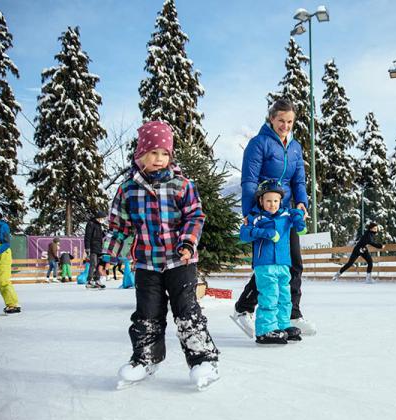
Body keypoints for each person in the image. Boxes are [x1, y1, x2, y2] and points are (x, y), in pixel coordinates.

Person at [104, 120, 219, 390]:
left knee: (187, 311)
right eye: (153, 152)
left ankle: (203, 360)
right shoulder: (127, 189)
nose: (159, 159)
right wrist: (108, 256)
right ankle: (145, 358)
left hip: (180, 260)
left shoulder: (182, 185)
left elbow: (195, 216)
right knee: (147, 313)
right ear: (140, 154)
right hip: (146, 263)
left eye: (165, 153)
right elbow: (119, 227)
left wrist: (188, 243)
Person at [231, 98, 316, 338]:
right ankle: (244, 308)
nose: (285, 126)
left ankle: (291, 314)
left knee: (292, 263)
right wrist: (249, 213)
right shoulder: (258, 144)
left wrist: (301, 202)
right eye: (281, 121)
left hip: (285, 212)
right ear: (272, 119)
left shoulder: (296, 147)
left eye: (290, 121)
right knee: (267, 265)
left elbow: (299, 180)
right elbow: (249, 180)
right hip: (264, 211)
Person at [239, 180, 307, 344]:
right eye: (268, 200)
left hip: (284, 263)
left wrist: (299, 221)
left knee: (284, 296)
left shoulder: (285, 216)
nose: (272, 204)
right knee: (269, 295)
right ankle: (265, 329)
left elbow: (297, 213)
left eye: (276, 200)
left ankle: (282, 325)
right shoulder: (255, 217)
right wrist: (265, 233)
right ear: (261, 201)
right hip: (265, 264)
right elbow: (244, 234)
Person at [84, 211, 107, 289]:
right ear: (99, 217)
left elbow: (99, 236)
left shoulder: (99, 225)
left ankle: (97, 280)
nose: (103, 220)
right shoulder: (90, 224)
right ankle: (89, 281)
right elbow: (87, 236)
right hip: (92, 247)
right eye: (103, 218)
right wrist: (87, 248)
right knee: (93, 264)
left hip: (99, 248)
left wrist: (105, 233)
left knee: (98, 264)